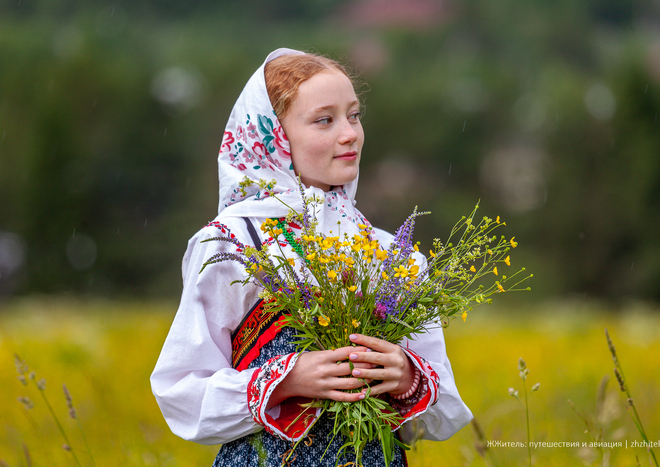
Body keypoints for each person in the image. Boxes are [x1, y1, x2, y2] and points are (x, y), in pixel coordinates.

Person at [151, 48, 472, 467]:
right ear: (273, 137)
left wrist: (407, 376)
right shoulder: (233, 242)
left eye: (353, 115)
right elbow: (182, 391)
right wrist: (285, 381)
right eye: (325, 120)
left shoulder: (393, 255)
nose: (350, 133)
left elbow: (438, 415)